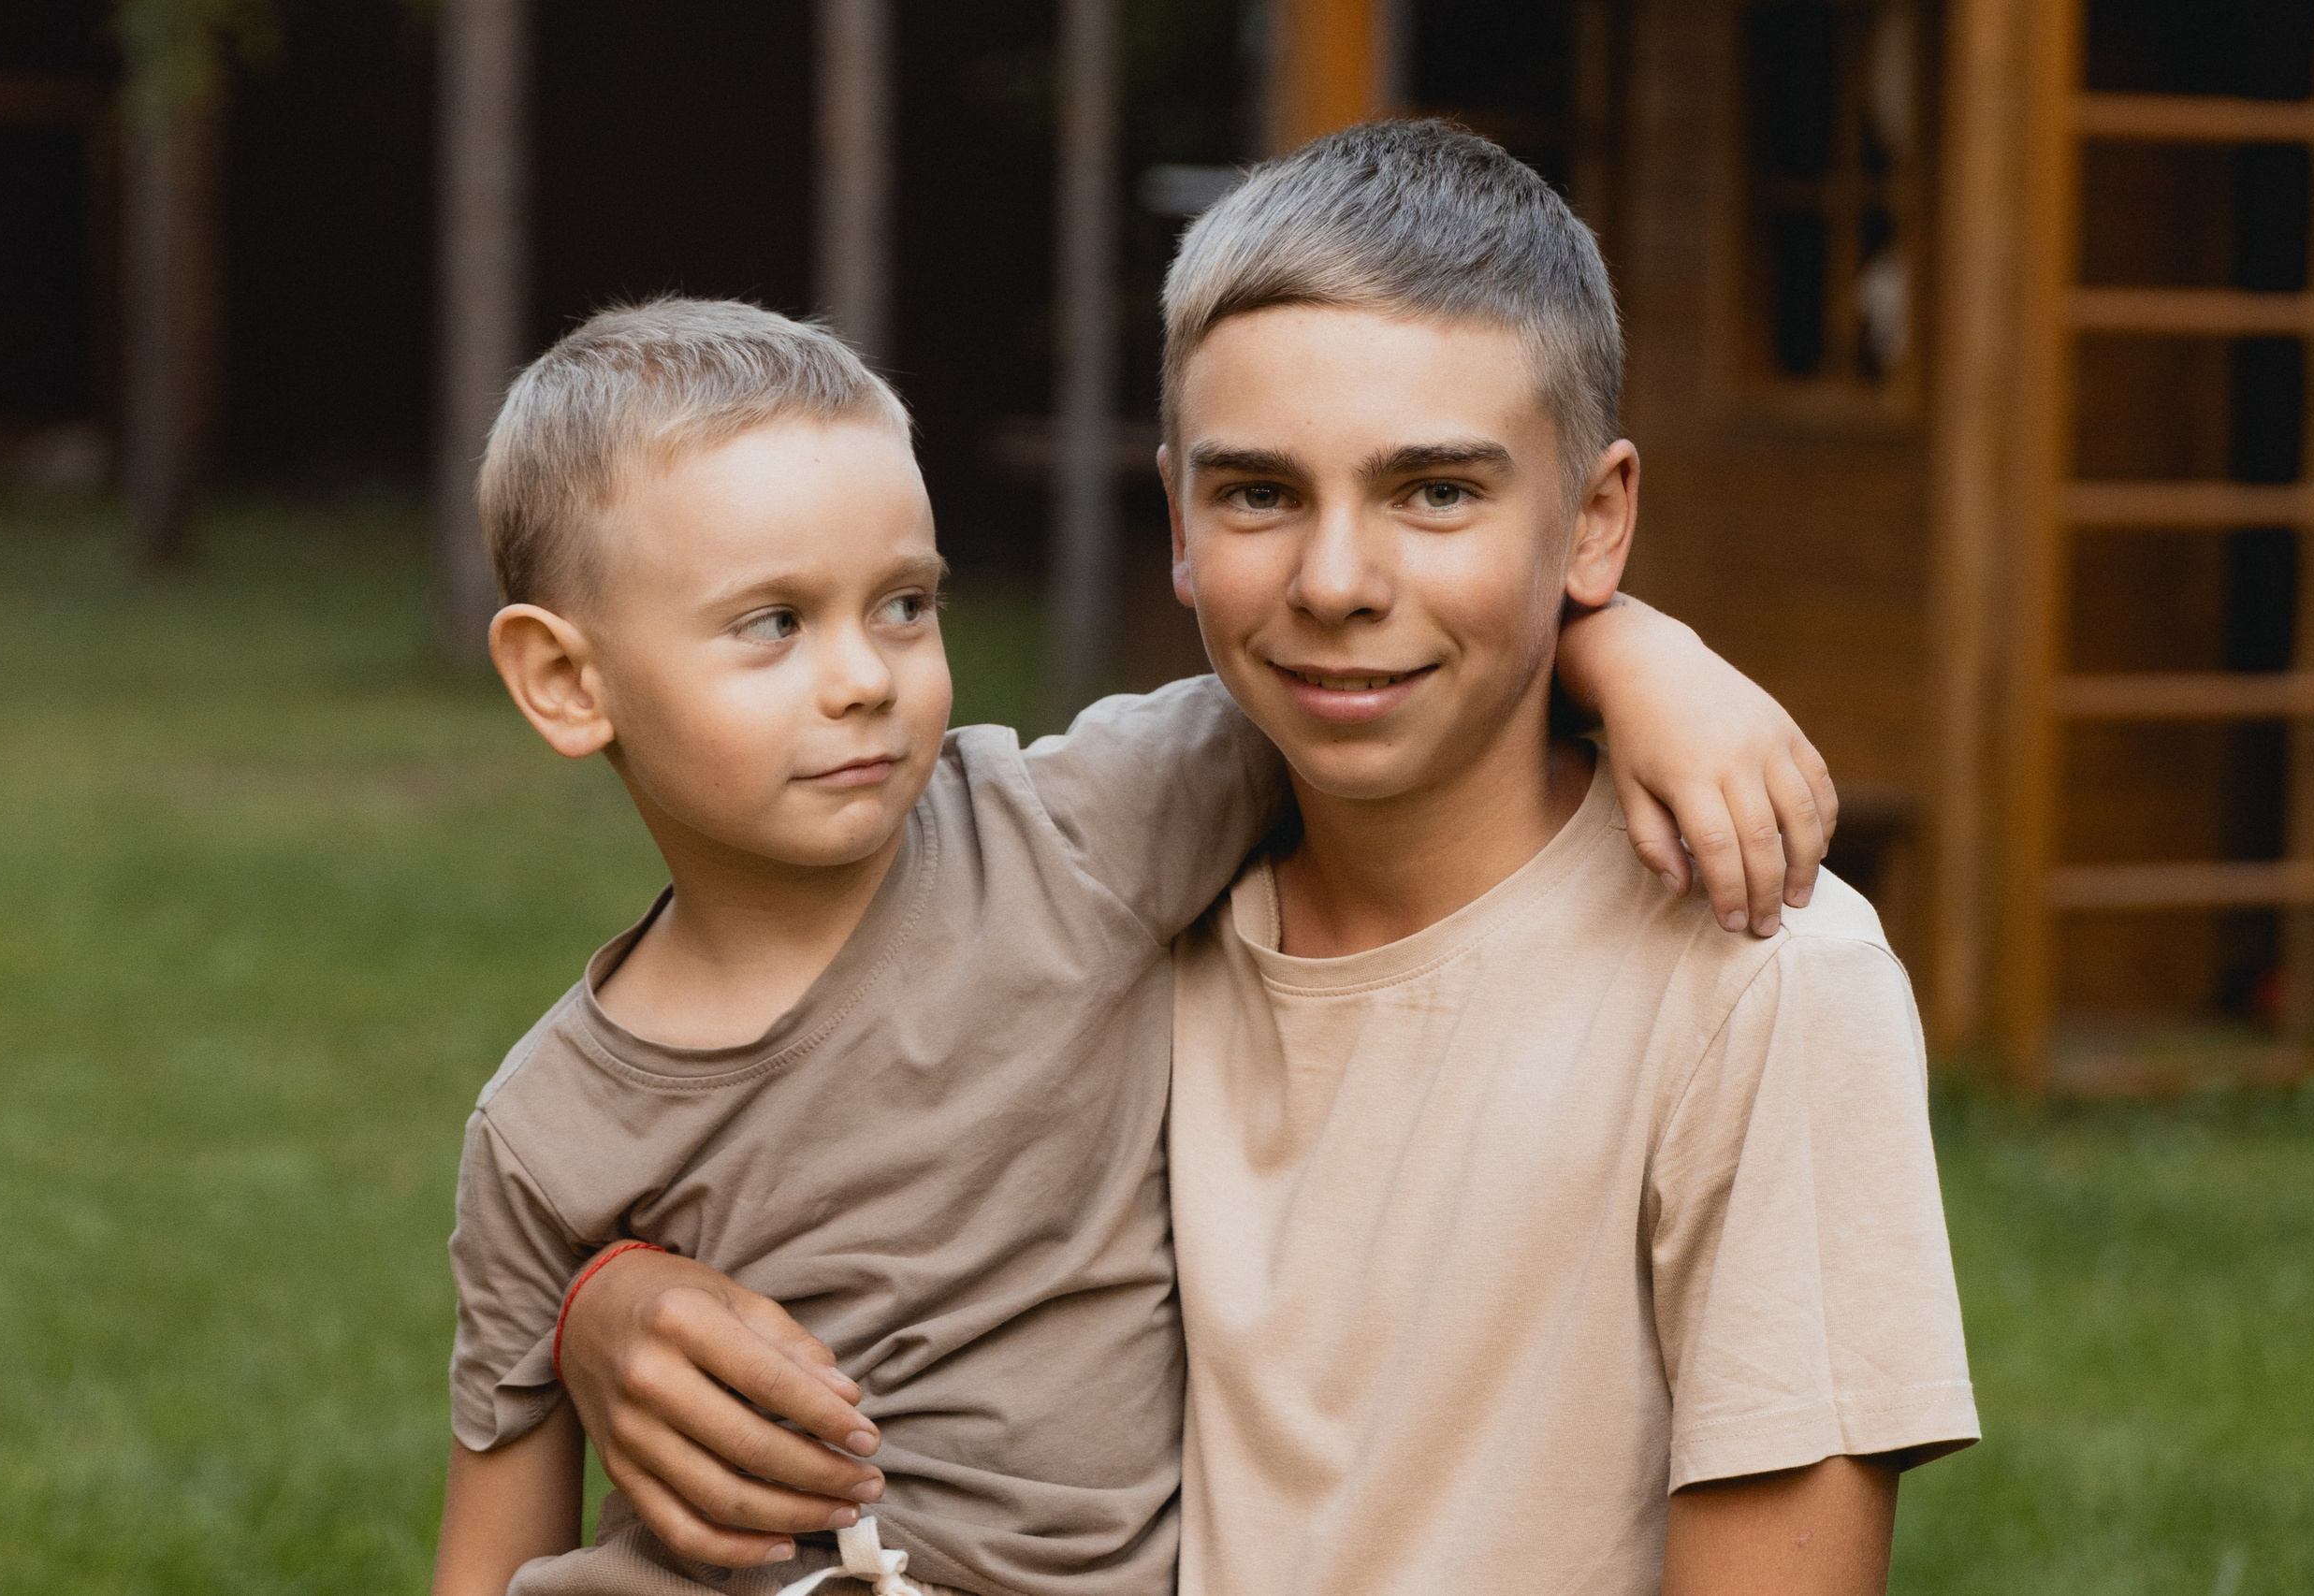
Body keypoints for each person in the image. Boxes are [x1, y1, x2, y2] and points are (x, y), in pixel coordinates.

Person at [429, 294, 1841, 1596]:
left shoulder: (1070, 835)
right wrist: (593, 1300)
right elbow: (492, 1548)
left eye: (904, 605)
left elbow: (1381, 680)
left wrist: (1630, 653)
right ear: (565, 680)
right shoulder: (544, 1132)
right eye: (772, 624)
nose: (863, 677)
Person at [1154, 122, 1977, 1594]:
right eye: (1260, 492)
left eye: (1436, 490)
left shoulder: (1767, 977)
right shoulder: (1114, 904)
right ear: (1178, 515)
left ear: (1596, 520)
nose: (1335, 582)